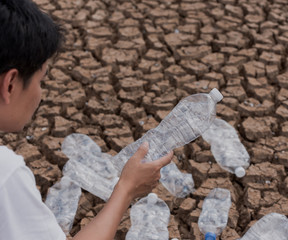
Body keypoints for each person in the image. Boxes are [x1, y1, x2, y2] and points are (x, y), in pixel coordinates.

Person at [0, 0, 173, 239]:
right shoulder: (6, 174)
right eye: (41, 80)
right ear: (9, 84)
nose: (40, 93)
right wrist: (126, 189)